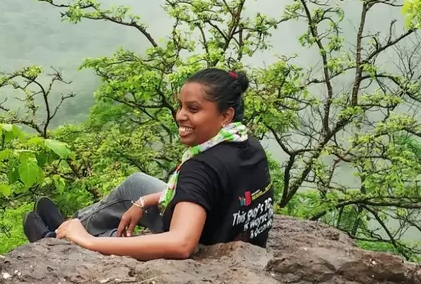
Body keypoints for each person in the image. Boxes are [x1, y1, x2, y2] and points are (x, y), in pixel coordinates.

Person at [24, 69, 275, 259]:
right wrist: (145, 201)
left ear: (226, 115)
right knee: (137, 185)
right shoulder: (244, 141)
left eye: (193, 109)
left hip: (207, 256)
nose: (180, 115)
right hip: (230, 233)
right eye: (181, 106)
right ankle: (66, 227)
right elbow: (213, 193)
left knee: (109, 242)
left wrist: (88, 242)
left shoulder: (202, 167)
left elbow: (181, 244)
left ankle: (64, 242)